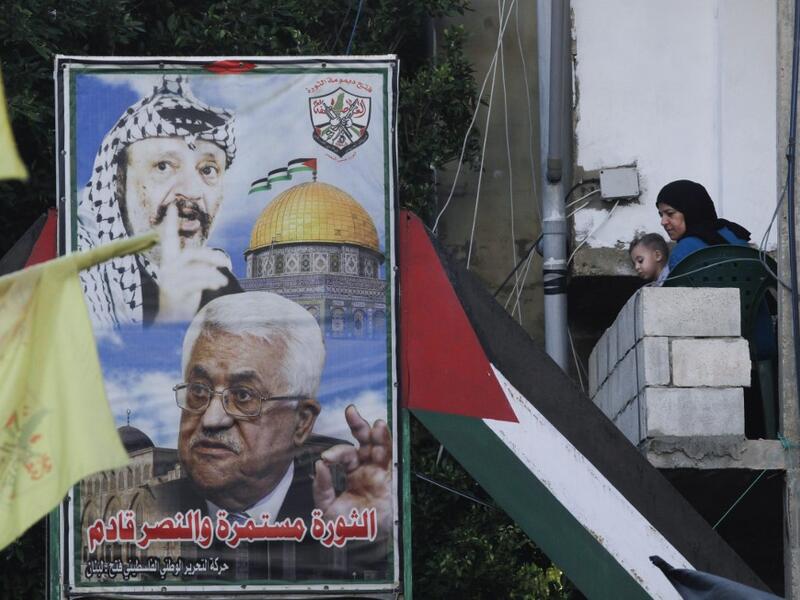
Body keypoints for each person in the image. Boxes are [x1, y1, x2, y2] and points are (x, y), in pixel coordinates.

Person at [156, 291, 392, 579]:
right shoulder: (148, 510)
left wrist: (376, 539)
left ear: (301, 423)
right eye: (198, 391)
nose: (212, 419)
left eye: (243, 396)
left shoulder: (339, 510)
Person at [78, 76, 238, 327]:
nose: (191, 191)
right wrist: (171, 317)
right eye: (164, 166)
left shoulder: (219, 283)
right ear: (119, 182)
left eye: (207, 170)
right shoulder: (77, 266)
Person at [655, 179, 751, 270]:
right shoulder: (734, 233)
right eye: (661, 215)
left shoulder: (682, 254)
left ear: (690, 211)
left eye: (670, 213)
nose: (663, 222)